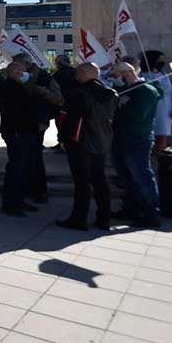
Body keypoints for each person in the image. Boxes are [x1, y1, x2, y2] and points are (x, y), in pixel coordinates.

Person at [56, 63, 118, 231]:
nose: (77, 76)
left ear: (83, 73)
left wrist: (62, 139)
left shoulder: (77, 93)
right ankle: (104, 218)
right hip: (102, 142)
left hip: (80, 142)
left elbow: (69, 119)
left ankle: (79, 218)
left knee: (82, 181)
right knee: (100, 180)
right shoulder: (111, 94)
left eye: (78, 73)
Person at [0, 60, 58, 217]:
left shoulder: (17, 87)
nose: (26, 75)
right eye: (23, 72)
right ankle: (11, 203)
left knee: (22, 168)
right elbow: (21, 111)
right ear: (16, 73)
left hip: (22, 132)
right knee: (16, 169)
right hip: (18, 133)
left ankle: (19, 200)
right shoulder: (11, 88)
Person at [109, 61, 163, 227]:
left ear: (126, 73)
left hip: (138, 139)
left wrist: (121, 107)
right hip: (121, 137)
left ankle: (151, 213)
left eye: (116, 75)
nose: (114, 79)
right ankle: (131, 208)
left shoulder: (146, 91)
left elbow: (138, 114)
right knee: (126, 177)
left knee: (142, 175)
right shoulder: (124, 90)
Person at [140, 50, 172, 155]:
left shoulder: (163, 74)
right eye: (160, 59)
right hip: (150, 110)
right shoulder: (142, 75)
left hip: (165, 111)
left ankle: (160, 162)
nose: (162, 61)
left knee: (162, 137)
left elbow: (171, 92)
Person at [51, 54, 77, 152]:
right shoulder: (75, 72)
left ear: (60, 64)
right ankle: (65, 143)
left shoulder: (58, 74)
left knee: (61, 124)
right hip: (73, 103)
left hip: (62, 103)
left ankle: (63, 143)